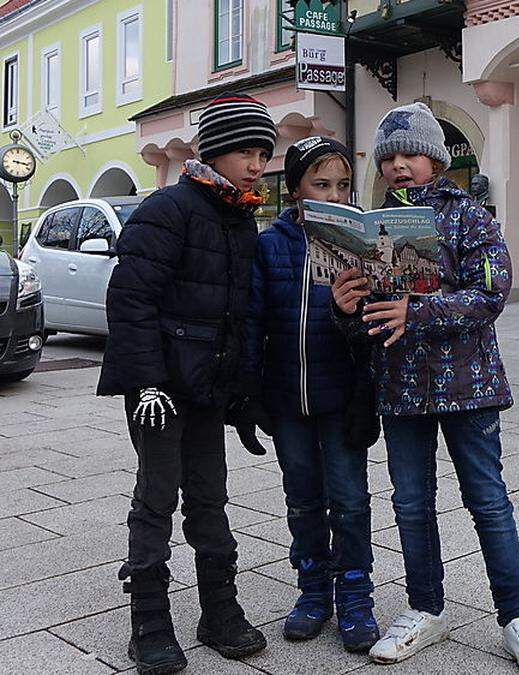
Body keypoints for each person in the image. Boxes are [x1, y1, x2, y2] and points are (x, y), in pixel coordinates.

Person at [330, 102, 519, 674]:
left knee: (487, 499)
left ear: (435, 159)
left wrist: (420, 310)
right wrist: (346, 308)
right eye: (388, 158)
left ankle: (518, 615)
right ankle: (425, 608)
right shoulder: (370, 229)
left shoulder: (471, 217)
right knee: (410, 503)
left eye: (410, 154)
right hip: (401, 386)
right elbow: (369, 322)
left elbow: (491, 296)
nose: (399, 166)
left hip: (469, 384)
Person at [96, 92, 276, 674]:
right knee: (156, 496)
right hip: (160, 387)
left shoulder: (241, 218)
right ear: (216, 151)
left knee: (209, 496)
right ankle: (149, 620)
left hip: (207, 387)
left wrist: (243, 393)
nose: (256, 164)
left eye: (263, 154)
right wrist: (145, 382)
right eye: (246, 151)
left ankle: (218, 610)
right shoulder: (168, 208)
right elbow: (130, 300)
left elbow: (242, 315)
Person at [240, 136, 381, 652]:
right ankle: (312, 591)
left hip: (341, 397)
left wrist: (354, 309)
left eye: (342, 185)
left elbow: (373, 331)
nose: (334, 194)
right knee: (302, 500)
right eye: (321, 184)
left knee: (350, 500)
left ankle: (356, 594)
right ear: (296, 187)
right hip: (286, 399)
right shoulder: (271, 243)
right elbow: (254, 320)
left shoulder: (361, 243)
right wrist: (249, 392)